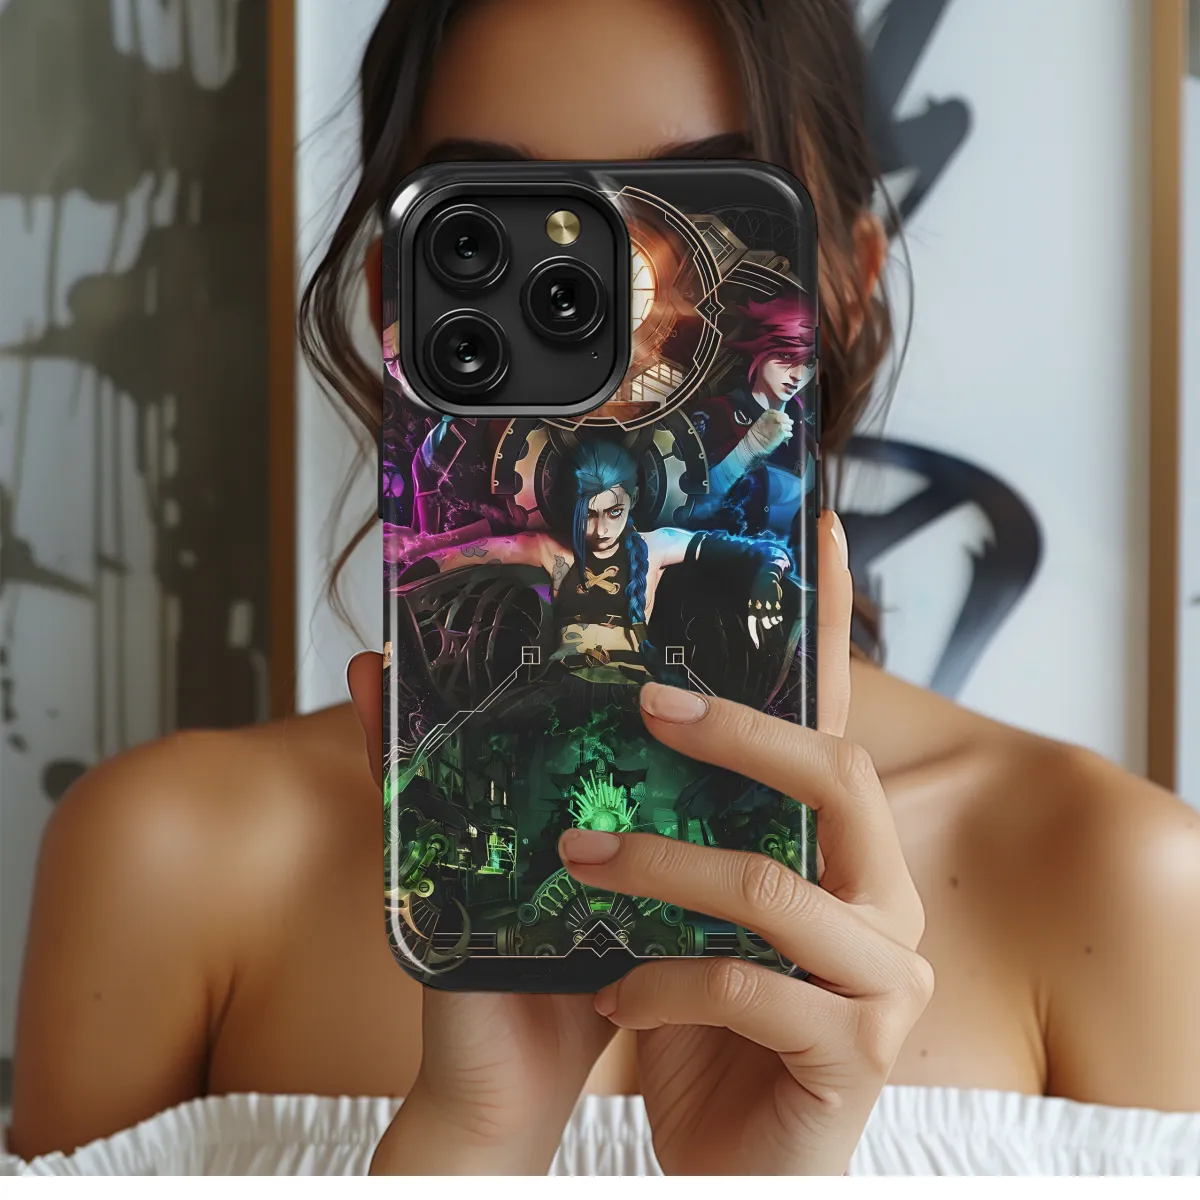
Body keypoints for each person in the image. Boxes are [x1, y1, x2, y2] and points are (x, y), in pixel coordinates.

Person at [7, 0, 1200, 1177]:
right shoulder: (170, 864)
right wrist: (474, 1141)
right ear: (394, 302)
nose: (609, 316)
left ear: (845, 286)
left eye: (705, 216)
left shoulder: (1115, 884)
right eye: (492, 233)